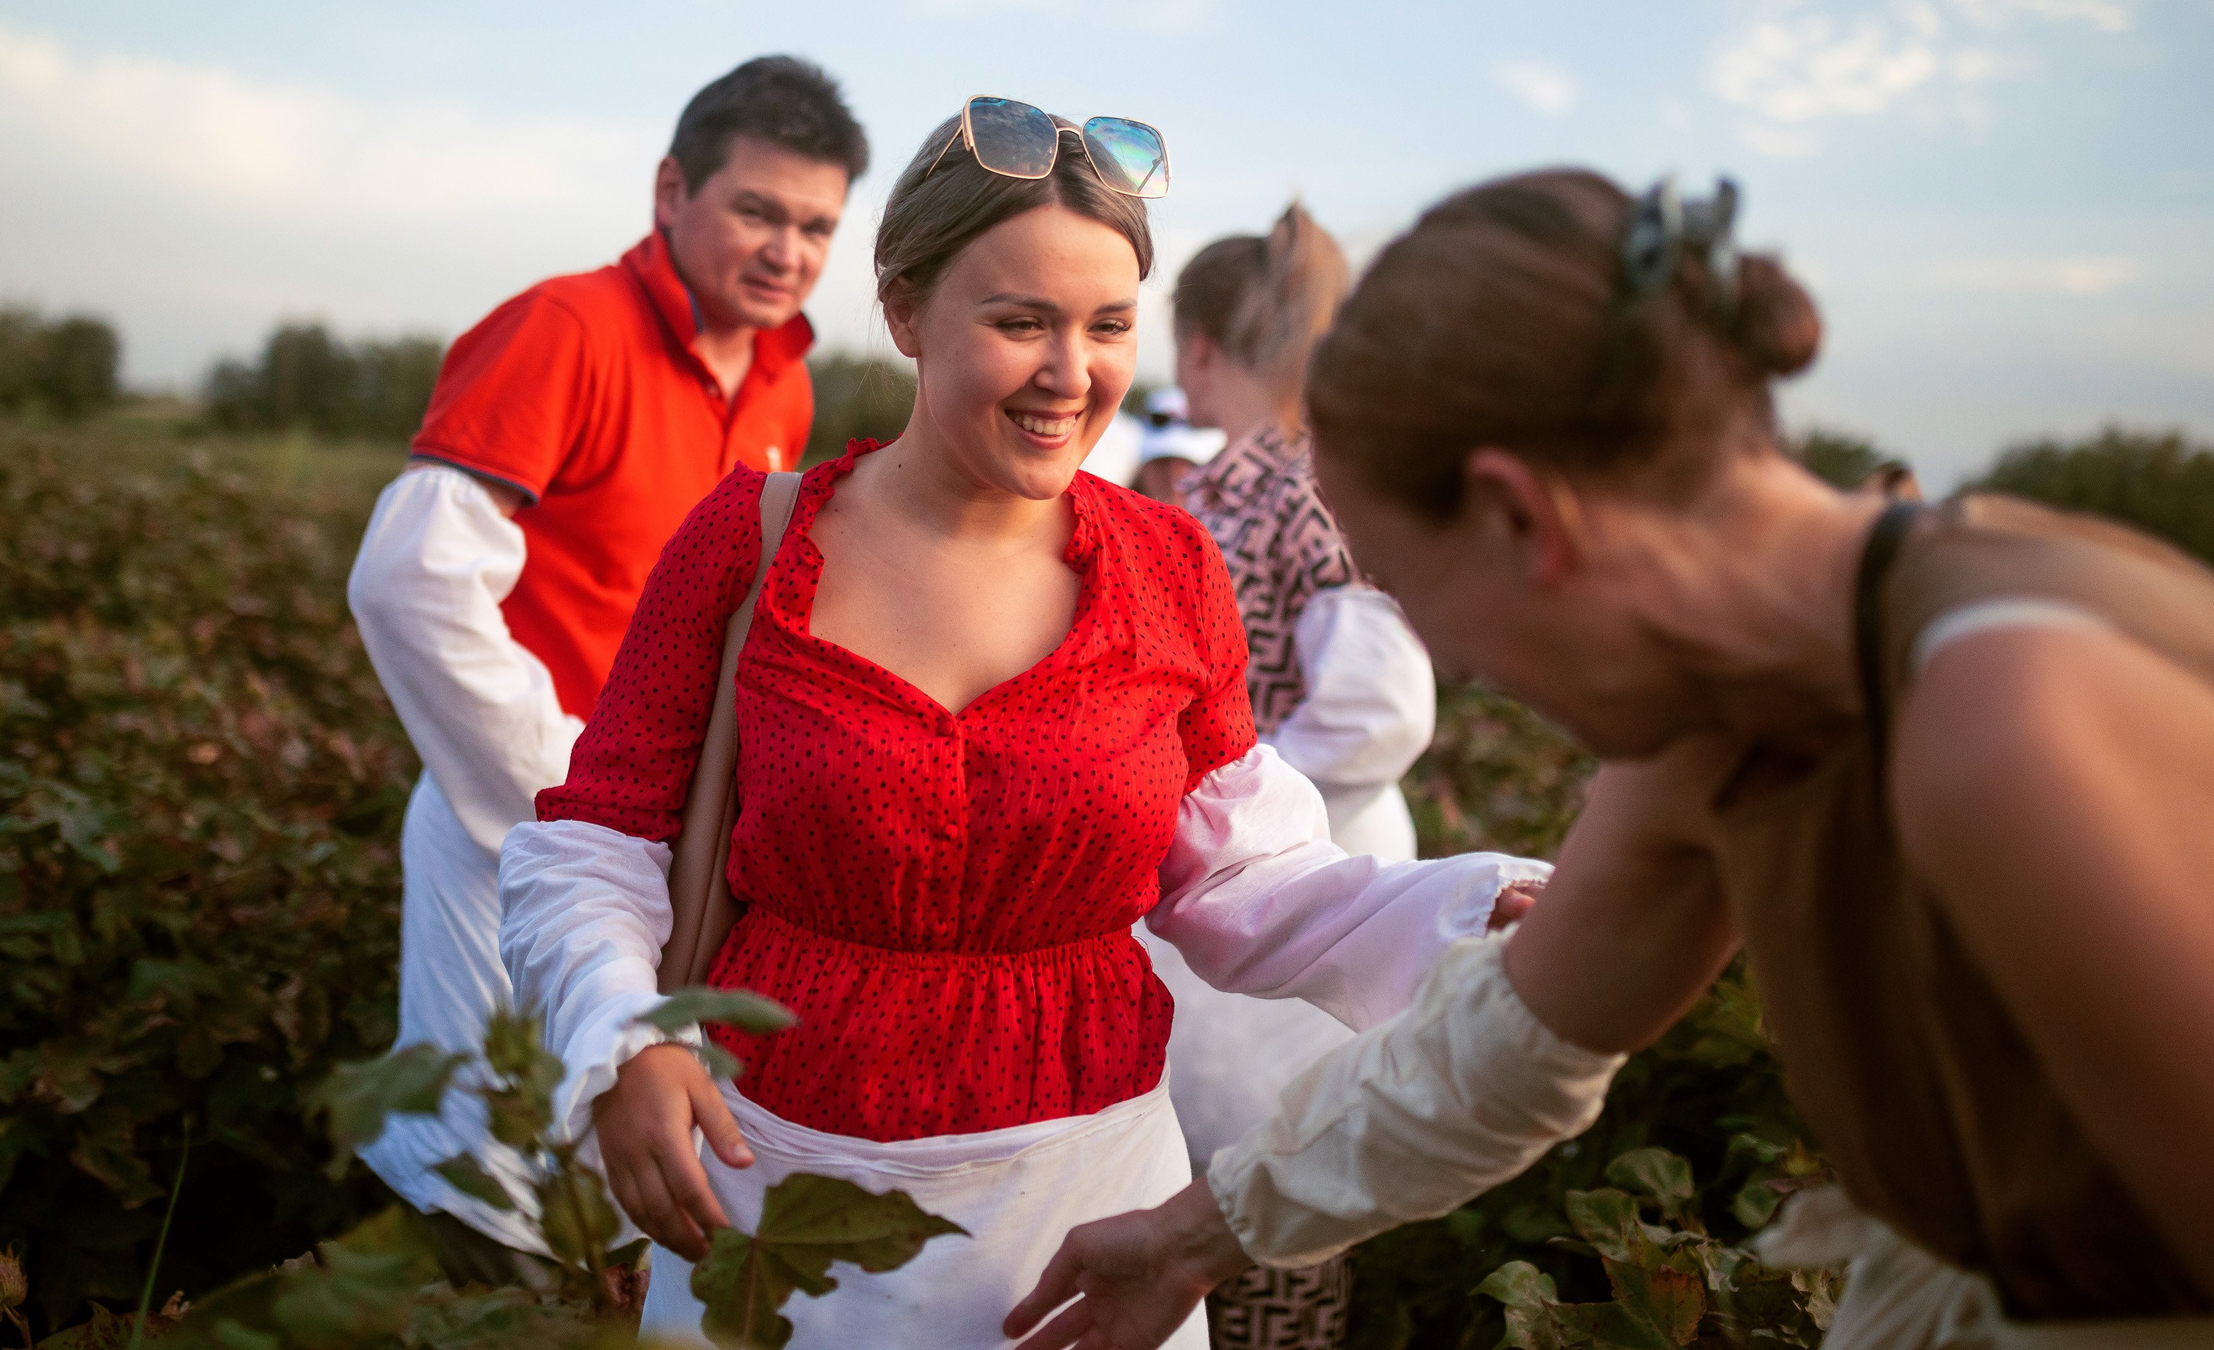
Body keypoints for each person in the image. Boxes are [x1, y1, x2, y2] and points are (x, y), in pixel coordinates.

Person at [1009, 168, 2214, 1350]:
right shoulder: (1734, 718)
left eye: (1417, 587)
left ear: (1521, 516)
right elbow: (1504, 1049)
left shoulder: (2007, 731)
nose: (1456, 661)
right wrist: (1191, 1239)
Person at [494, 99, 1542, 1347]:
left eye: (1108, 325)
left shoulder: (1169, 567)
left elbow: (1247, 875)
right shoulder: (749, 540)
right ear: (904, 313)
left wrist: (1467, 908)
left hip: (1082, 1212)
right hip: (770, 1186)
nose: (1071, 373)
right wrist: (624, 1043)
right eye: (1018, 322)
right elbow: (599, 837)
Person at [343, 55, 868, 1272]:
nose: (786, 251)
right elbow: (412, 578)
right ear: (671, 189)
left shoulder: (781, 381)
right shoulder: (566, 328)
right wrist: (559, 792)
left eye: (816, 228)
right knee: (494, 1168)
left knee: (626, 1166)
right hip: (525, 812)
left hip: (660, 837)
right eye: (757, 211)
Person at [1152, 203, 1461, 1349]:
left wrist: (1228, 792)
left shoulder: (1294, 491)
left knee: (1263, 1180)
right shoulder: (1261, 485)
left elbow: (1383, 708)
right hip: (1258, 883)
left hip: (1296, 872)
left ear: (1196, 347)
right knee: (1247, 1180)